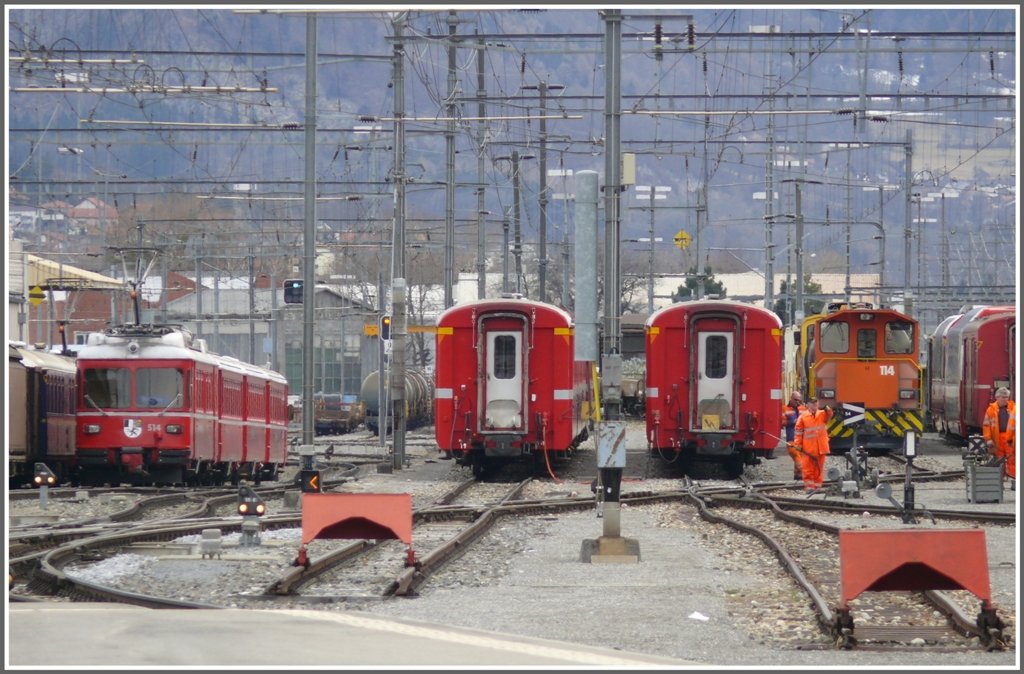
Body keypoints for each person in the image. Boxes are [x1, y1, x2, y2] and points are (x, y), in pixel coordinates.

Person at [793, 396, 833, 491]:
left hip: (821, 447)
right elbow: (798, 432)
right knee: (808, 469)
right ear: (808, 405)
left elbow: (830, 414)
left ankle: (817, 487)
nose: (815, 405)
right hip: (809, 449)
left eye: (816, 403)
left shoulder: (822, 414)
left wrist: (828, 408)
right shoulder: (803, 417)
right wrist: (798, 445)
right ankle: (809, 487)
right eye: (812, 403)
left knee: (819, 469)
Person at [982, 386, 1016, 489]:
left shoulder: (1013, 407)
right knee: (999, 461)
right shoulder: (991, 410)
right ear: (997, 397)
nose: (1005, 399)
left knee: (1013, 460)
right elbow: (986, 426)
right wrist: (988, 439)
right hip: (997, 439)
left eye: (1006, 397)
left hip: (1011, 439)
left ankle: (1014, 482)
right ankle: (999, 483)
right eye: (1003, 397)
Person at [781, 391, 807, 480]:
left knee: (801, 455)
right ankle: (803, 473)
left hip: (802, 439)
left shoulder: (803, 408)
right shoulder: (785, 409)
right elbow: (781, 422)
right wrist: (793, 422)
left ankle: (798, 475)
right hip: (791, 439)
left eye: (799, 400)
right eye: (796, 400)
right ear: (791, 398)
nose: (797, 402)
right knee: (796, 455)